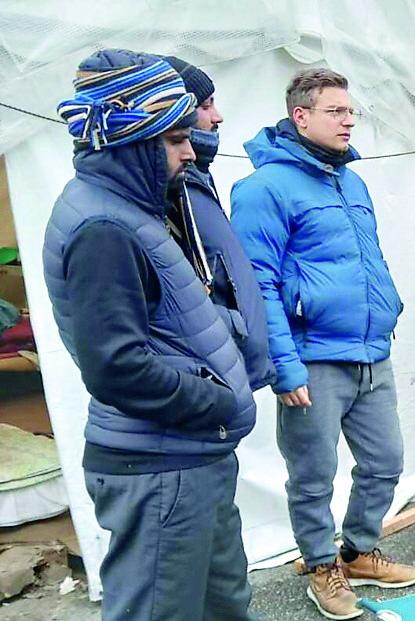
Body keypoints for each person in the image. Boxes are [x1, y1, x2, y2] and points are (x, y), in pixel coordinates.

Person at [43, 49, 257, 621]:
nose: (190, 151)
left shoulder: (131, 209)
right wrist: (214, 398)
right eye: (174, 138)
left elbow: (171, 318)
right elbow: (118, 366)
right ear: (132, 139)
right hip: (161, 468)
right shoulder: (104, 229)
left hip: (190, 457)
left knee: (222, 607)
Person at [231, 69, 415, 620]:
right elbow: (256, 284)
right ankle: (321, 567)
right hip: (312, 358)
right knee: (313, 477)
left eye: (350, 110)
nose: (349, 119)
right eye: (336, 111)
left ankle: (358, 552)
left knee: (386, 463)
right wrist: (283, 367)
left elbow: (367, 261)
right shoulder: (263, 189)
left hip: (370, 354)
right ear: (301, 116)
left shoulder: (351, 182)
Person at [163, 56, 276, 392]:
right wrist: (227, 324)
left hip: (229, 361)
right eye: (206, 105)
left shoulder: (196, 177)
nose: (218, 117)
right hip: (207, 367)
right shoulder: (173, 183)